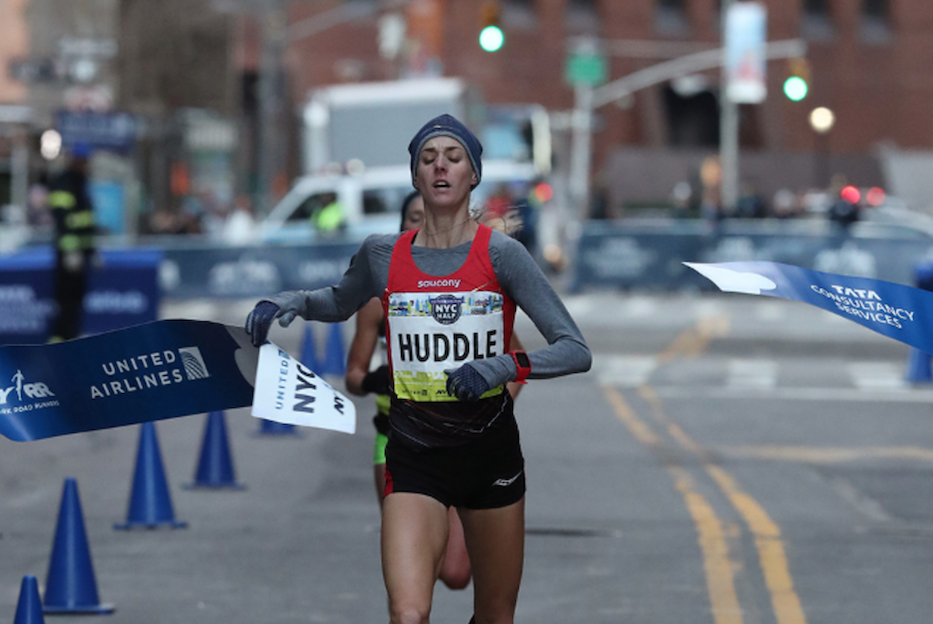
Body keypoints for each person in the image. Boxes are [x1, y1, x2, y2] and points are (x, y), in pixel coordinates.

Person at [245, 113, 591, 624]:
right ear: (415, 177)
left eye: (453, 158)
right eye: (428, 159)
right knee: (408, 613)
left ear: (473, 174)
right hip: (413, 455)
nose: (440, 167)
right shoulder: (384, 255)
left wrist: (503, 366)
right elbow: (339, 301)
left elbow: (574, 348)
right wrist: (290, 301)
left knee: (494, 616)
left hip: (489, 455)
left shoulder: (502, 255)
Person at [344, 190, 526, 593]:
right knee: (413, 589)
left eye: (427, 215)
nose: (422, 222)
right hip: (398, 438)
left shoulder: (475, 288)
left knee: (458, 574)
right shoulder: (379, 295)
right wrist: (376, 380)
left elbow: (519, 360)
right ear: (401, 226)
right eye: (413, 216)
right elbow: (352, 376)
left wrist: (494, 405)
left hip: (470, 440)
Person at [47, 143, 97, 342]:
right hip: (69, 254)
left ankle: (71, 338)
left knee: (76, 300)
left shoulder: (82, 182)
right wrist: (71, 252)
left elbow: (85, 223)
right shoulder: (63, 182)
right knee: (66, 300)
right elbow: (63, 220)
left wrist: (91, 252)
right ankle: (61, 340)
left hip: (81, 253)